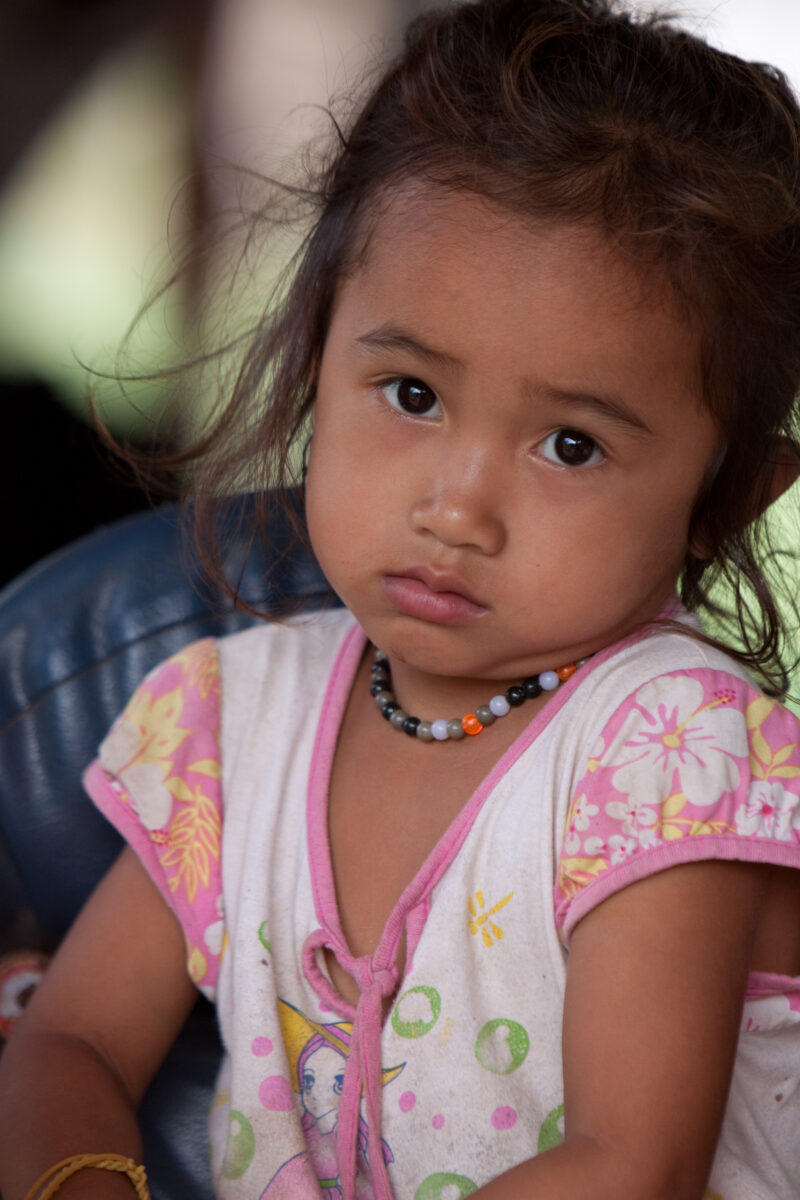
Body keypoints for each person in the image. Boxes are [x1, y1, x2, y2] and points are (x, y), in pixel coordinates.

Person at [2, 1, 800, 1197]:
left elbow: (630, 1166)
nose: (456, 510)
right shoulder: (233, 720)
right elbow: (68, 1041)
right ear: (317, 354)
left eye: (570, 446)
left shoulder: (665, 751)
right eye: (412, 395)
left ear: (724, 497)